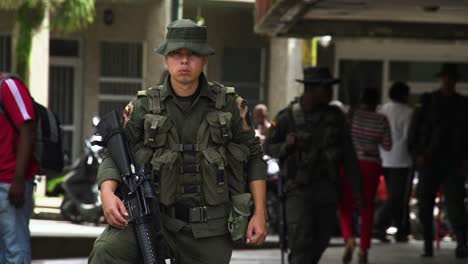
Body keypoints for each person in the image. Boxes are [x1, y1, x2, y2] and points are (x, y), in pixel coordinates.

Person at [88, 19, 268, 264]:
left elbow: (254, 156)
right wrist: (107, 192)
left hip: (209, 230)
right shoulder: (144, 104)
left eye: (192, 54)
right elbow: (115, 150)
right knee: (106, 252)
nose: (184, 61)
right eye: (176, 54)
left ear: (204, 59)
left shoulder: (229, 104)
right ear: (166, 59)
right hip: (154, 218)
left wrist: (260, 213)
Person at [264, 67, 362, 264]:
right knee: (301, 242)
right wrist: (286, 145)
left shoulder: (336, 117)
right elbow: (268, 147)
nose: (330, 92)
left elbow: (349, 156)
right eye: (325, 88)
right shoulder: (287, 116)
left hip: (327, 190)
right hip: (298, 191)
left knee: (320, 241)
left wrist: (357, 192)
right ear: (311, 88)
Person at [408, 63, 468, 259]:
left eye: (451, 78)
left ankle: (462, 243)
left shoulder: (462, 104)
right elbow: (415, 129)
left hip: (453, 161)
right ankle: (427, 245)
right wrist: (416, 154)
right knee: (425, 206)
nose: (448, 81)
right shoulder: (428, 102)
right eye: (445, 77)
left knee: (456, 206)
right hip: (429, 160)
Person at [339, 88, 392, 264]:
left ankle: (349, 239)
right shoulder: (381, 119)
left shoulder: (352, 115)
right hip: (372, 165)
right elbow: (387, 145)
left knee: (346, 205)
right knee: (367, 207)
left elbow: (343, 137)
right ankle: (363, 250)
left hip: (351, 163)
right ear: (377, 102)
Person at [0, 73, 39, 263]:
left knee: (15, 248)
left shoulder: (8, 86)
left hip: (10, 183)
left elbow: (27, 128)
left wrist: (19, 180)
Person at [374, 82, 413, 242]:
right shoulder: (408, 113)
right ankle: (380, 223)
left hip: (382, 158)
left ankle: (400, 230)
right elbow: (408, 137)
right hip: (401, 161)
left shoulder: (382, 110)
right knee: (398, 198)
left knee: (394, 197)